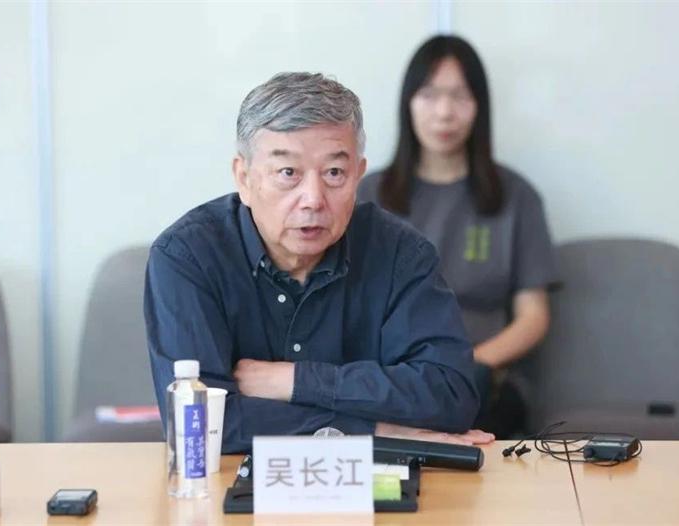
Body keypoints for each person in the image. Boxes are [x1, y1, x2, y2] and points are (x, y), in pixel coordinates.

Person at [145, 72, 494, 453]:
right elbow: (203, 423)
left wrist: (293, 381)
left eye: (334, 173)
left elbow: (451, 396)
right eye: (288, 173)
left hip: (376, 485)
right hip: (231, 485)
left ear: (358, 175)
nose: (313, 198)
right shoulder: (188, 257)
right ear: (243, 178)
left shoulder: (401, 254)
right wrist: (375, 430)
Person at [358, 36, 558, 436]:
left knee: (463, 407)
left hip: (483, 376)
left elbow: (534, 316)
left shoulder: (516, 196)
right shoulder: (369, 195)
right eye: (429, 95)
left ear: (479, 106)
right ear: (408, 103)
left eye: (459, 96)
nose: (444, 112)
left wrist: (469, 365)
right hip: (390, 377)